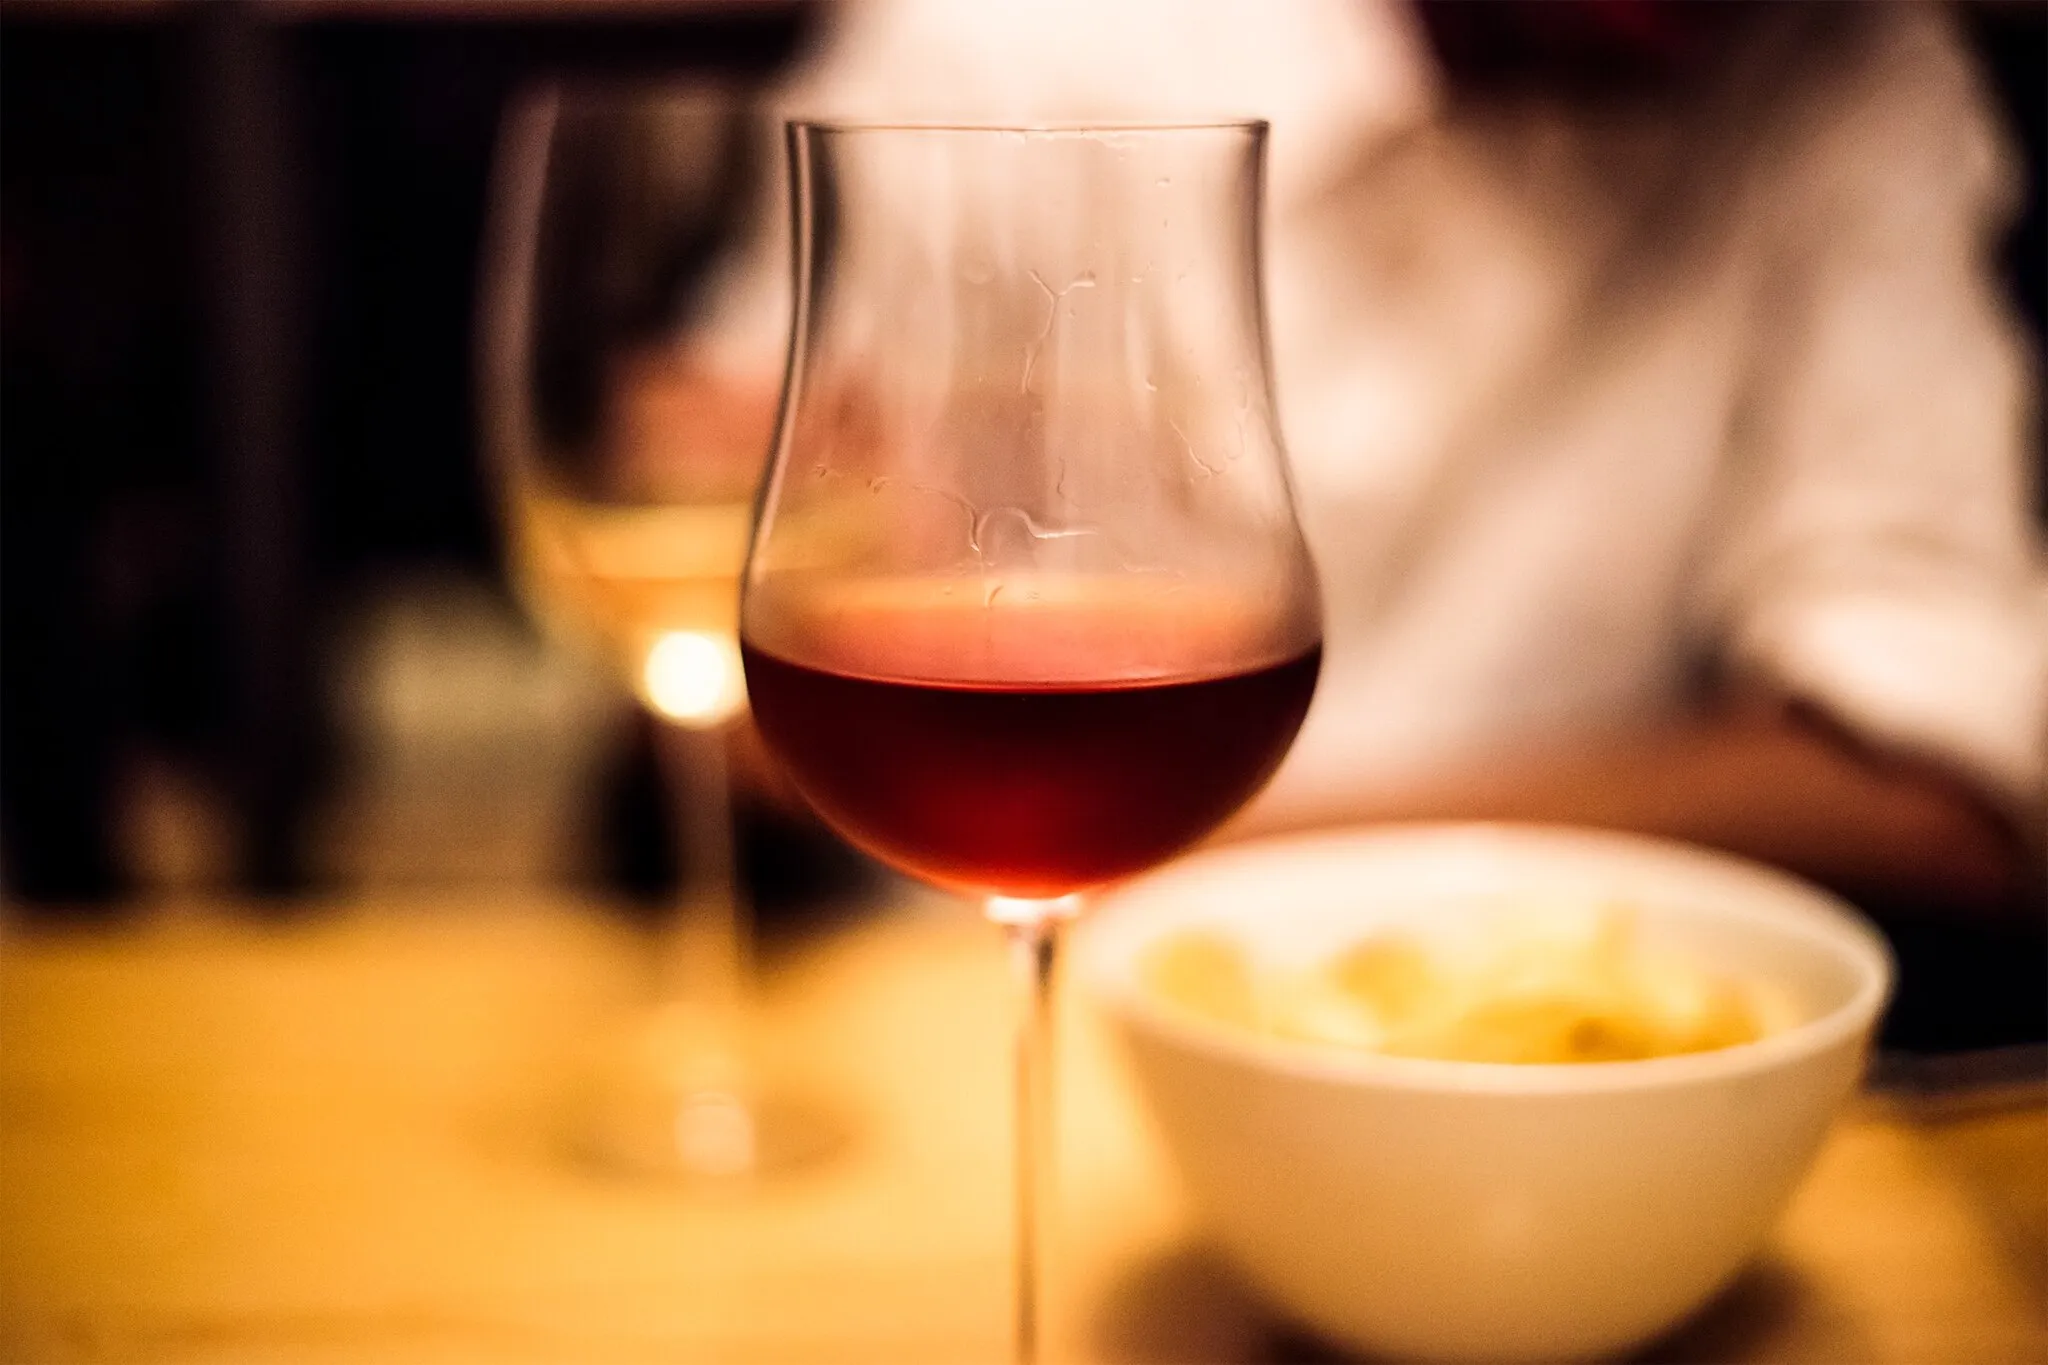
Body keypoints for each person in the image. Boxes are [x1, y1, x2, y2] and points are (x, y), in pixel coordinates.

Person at [673, 0, 2045, 923]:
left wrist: (1161, 862)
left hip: (1536, 1045)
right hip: (939, 1032)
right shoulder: (1007, 38)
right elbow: (726, 607)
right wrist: (703, 508)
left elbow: (1944, 780)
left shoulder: (1851, 70)